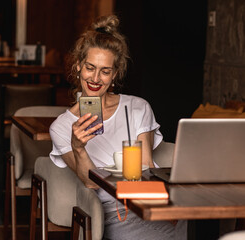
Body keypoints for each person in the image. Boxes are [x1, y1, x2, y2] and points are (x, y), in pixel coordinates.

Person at [49, 15, 187, 240]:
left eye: (105, 71)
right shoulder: (62, 127)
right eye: (90, 68)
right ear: (78, 67)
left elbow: (145, 167)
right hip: (110, 213)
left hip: (148, 203)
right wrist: (79, 148)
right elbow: (88, 182)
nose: (95, 78)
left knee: (186, 220)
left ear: (114, 74)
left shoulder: (137, 107)